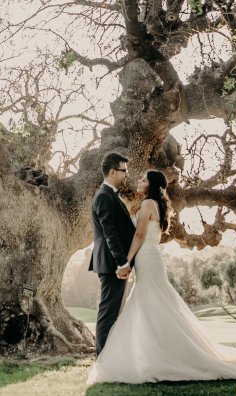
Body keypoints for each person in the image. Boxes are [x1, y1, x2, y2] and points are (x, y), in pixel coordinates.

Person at [88, 169, 236, 384]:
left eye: (144, 179)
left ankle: (158, 355)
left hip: (146, 256)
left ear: (152, 185)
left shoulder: (148, 205)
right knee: (153, 303)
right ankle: (154, 352)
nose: (139, 180)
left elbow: (139, 234)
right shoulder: (156, 205)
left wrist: (125, 261)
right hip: (151, 257)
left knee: (149, 302)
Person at [88, 151, 136, 355]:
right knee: (108, 312)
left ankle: (109, 357)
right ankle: (103, 359)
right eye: (124, 171)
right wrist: (122, 262)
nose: (127, 175)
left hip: (112, 263)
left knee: (113, 311)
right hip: (112, 264)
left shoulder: (109, 195)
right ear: (112, 172)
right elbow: (110, 233)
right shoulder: (104, 197)